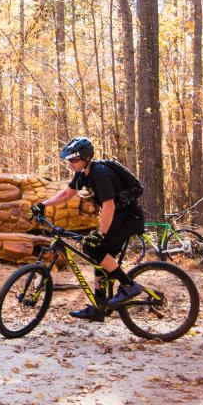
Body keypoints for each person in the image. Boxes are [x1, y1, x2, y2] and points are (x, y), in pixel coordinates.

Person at [31, 136, 144, 321]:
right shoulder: (84, 173)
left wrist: (100, 234)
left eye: (74, 159)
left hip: (128, 218)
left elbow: (109, 206)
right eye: (69, 159)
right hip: (118, 218)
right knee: (96, 253)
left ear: (86, 158)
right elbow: (67, 193)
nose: (71, 163)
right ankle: (100, 306)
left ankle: (129, 285)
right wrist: (43, 204)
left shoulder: (99, 173)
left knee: (94, 247)